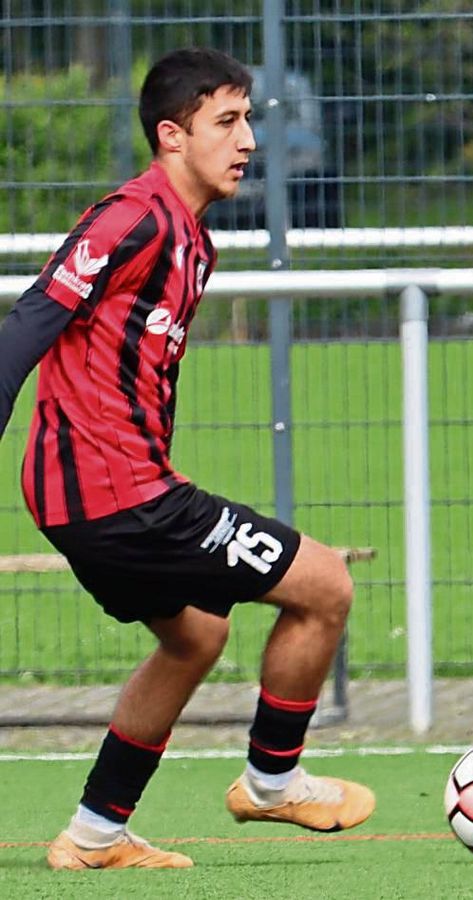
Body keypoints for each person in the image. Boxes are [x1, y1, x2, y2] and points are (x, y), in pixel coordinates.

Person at [0, 48, 374, 870]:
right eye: (227, 122)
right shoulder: (129, 218)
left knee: (195, 635)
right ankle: (274, 782)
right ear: (172, 135)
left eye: (250, 122)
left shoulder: (193, 240)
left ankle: (95, 835)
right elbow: (32, 317)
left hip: (101, 494)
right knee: (325, 587)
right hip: (119, 495)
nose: (247, 140)